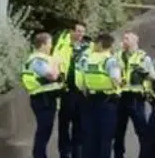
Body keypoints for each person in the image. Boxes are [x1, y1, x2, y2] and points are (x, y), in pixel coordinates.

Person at [76, 32, 123, 158]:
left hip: (90, 99)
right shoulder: (110, 60)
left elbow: (81, 80)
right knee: (105, 137)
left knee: (89, 136)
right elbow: (116, 79)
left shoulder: (87, 58)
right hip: (107, 101)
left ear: (100, 44)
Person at [23, 32, 64, 158]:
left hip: (46, 99)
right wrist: (56, 64)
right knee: (43, 132)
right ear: (43, 44)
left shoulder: (41, 58)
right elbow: (52, 75)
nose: (51, 46)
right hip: (42, 100)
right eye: (50, 43)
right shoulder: (37, 60)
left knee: (45, 131)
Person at [114, 32, 154, 158]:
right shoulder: (117, 55)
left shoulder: (143, 58)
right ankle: (118, 155)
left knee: (142, 131)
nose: (124, 41)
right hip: (121, 97)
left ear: (135, 41)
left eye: (127, 39)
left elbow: (153, 77)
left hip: (136, 98)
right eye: (124, 38)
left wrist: (144, 75)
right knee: (118, 131)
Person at [54, 21, 90, 158]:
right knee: (64, 124)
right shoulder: (62, 44)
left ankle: (77, 153)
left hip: (81, 92)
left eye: (83, 31)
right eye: (78, 31)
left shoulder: (87, 47)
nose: (81, 34)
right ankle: (64, 152)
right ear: (72, 31)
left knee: (79, 124)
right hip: (66, 91)